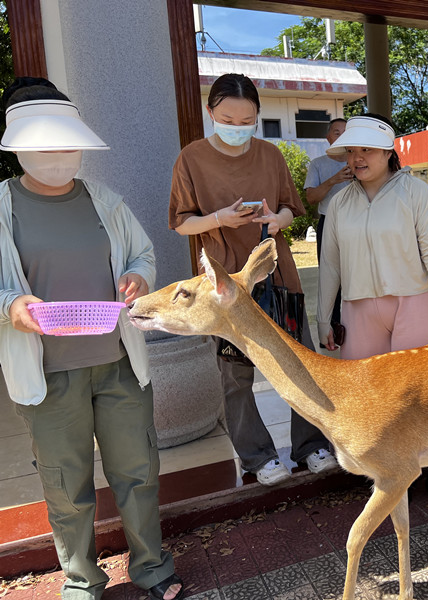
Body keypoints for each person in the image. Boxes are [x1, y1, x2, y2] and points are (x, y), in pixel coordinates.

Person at [0, 78, 183, 600]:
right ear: (17, 143)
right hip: (49, 375)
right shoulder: (2, 206)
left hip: (118, 362)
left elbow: (142, 256)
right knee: (65, 486)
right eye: (44, 143)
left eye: (66, 140)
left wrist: (138, 278)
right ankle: (81, 579)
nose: (58, 154)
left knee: (138, 472)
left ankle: (152, 567)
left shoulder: (104, 199)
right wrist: (10, 305)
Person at [169, 73, 335, 485]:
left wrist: (275, 219)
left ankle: (311, 444)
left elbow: (288, 208)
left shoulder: (270, 155)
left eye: (248, 121)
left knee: (300, 361)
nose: (238, 129)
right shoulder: (191, 158)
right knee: (236, 374)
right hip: (225, 284)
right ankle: (258, 457)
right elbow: (180, 223)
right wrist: (218, 219)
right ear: (211, 113)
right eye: (229, 119)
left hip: (276, 274)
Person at [316, 115, 428, 493]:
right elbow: (330, 262)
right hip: (359, 308)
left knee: (417, 395)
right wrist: (323, 318)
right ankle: (386, 472)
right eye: (351, 150)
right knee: (368, 395)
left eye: (366, 149)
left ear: (388, 151)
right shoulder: (339, 202)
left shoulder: (417, 194)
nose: (357, 157)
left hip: (415, 301)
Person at [304, 118, 349, 326]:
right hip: (329, 224)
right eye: (337, 132)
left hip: (357, 225)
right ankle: (330, 327)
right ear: (328, 138)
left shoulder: (361, 161)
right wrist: (334, 179)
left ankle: (355, 326)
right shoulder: (318, 164)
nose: (342, 136)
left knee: (357, 274)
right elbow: (311, 198)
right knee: (329, 278)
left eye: (347, 132)